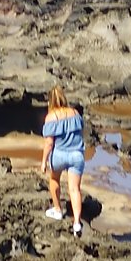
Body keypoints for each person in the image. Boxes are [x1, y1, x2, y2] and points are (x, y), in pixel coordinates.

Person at [40, 83, 91, 233]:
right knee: (74, 189)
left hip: (59, 154)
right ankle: (76, 223)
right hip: (76, 154)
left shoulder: (51, 117)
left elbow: (49, 143)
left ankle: (57, 210)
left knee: (54, 180)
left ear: (51, 101)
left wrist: (43, 162)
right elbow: (80, 133)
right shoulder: (75, 113)